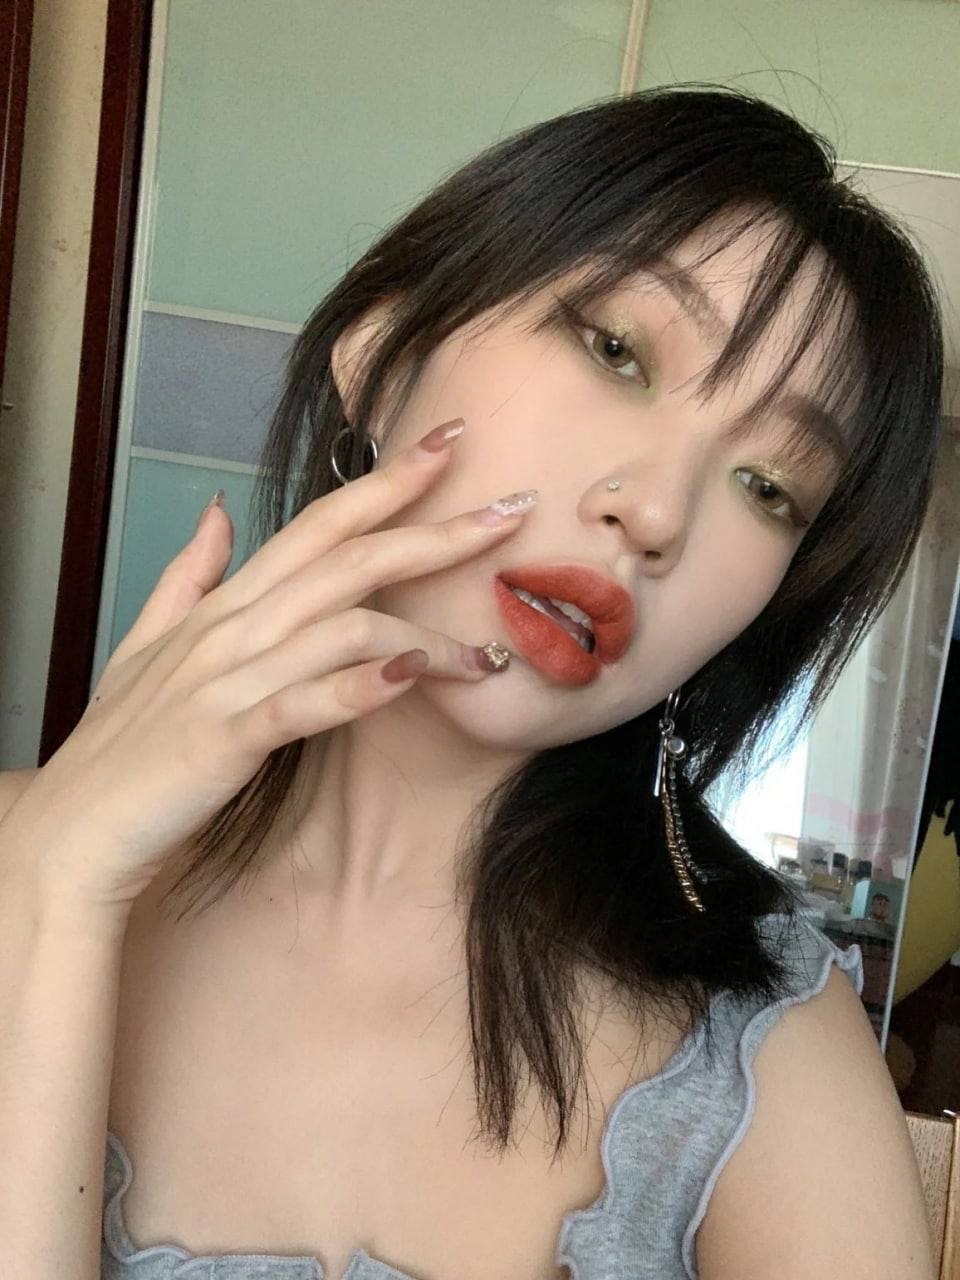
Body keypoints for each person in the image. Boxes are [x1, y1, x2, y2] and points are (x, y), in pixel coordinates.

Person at [0, 84, 942, 1280]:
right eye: (617, 350)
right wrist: (56, 885)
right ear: (381, 356)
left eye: (769, 486)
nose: (656, 512)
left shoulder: (769, 1053)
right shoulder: (28, 856)